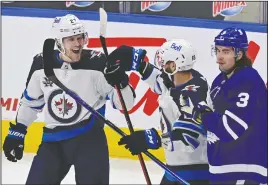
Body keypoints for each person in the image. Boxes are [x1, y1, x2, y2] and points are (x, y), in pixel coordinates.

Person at [3, 14, 136, 184]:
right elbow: (31, 102)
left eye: (80, 38)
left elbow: (125, 105)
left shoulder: (98, 64)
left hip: (89, 142)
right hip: (53, 142)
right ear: (59, 42)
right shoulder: (41, 63)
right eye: (71, 39)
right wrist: (18, 131)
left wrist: (122, 82)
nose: (78, 43)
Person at [107, 39, 212, 184]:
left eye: (165, 61)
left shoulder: (193, 94)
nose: (161, 64)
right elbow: (159, 81)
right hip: (174, 169)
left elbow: (191, 136)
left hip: (194, 173)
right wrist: (137, 62)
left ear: (175, 65)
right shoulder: (179, 79)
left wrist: (152, 138)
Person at [183, 27, 267, 185]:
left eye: (226, 51)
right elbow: (211, 123)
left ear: (239, 54)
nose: (219, 57)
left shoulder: (247, 79)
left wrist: (203, 111)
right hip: (223, 168)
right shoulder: (220, 80)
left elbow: (230, 129)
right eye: (217, 50)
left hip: (243, 169)